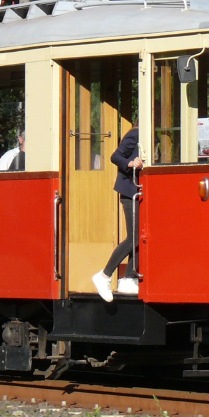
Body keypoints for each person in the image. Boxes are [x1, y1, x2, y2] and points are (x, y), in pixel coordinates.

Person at [92, 121, 142, 302]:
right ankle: (104, 276)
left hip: (138, 192)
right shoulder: (135, 134)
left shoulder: (150, 136)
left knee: (139, 236)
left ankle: (129, 278)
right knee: (134, 237)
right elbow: (116, 156)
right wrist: (130, 163)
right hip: (130, 193)